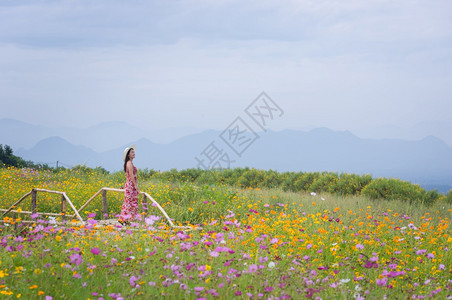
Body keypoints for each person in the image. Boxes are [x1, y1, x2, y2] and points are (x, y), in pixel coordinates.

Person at [118, 145, 140, 225]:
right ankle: (123, 219)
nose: (134, 153)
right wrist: (136, 186)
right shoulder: (129, 163)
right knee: (129, 203)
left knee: (130, 202)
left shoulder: (130, 163)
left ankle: (126, 220)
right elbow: (131, 175)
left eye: (134, 152)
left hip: (131, 185)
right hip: (131, 186)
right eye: (132, 152)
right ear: (128, 154)